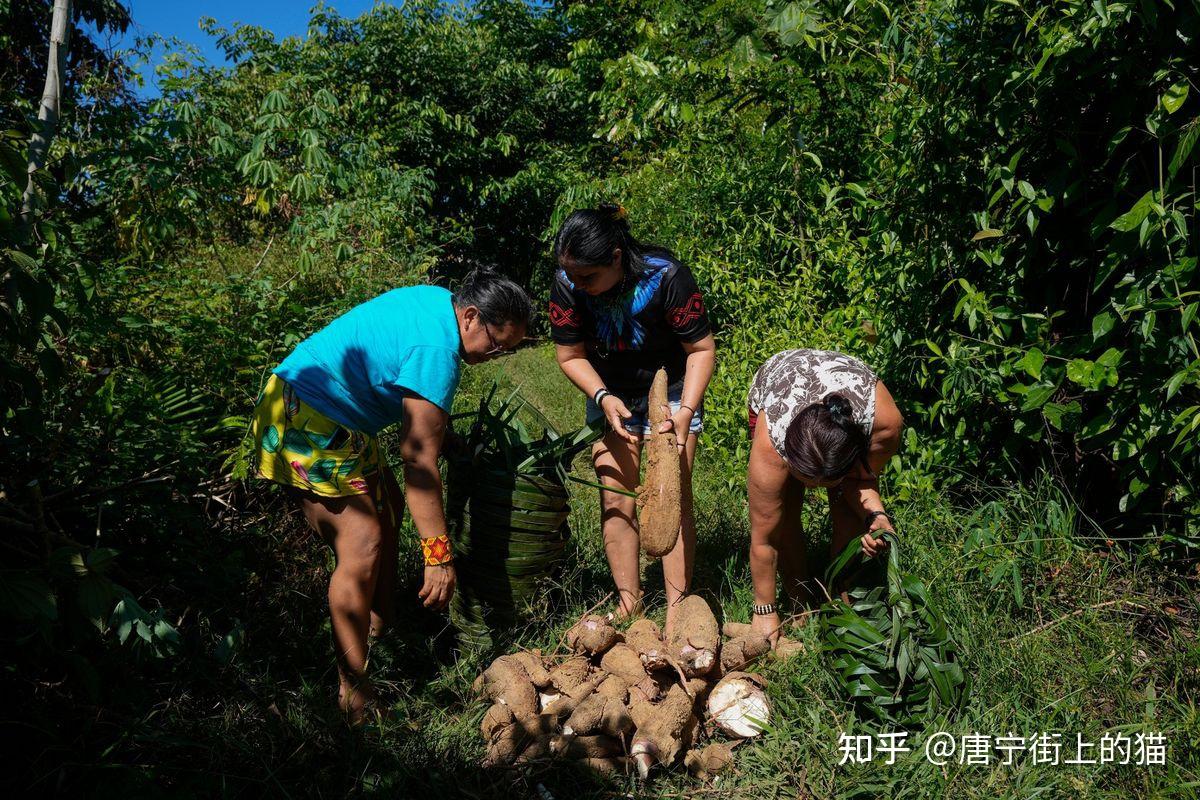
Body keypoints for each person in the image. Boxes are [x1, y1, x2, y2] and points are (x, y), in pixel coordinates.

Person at [249, 266, 530, 723]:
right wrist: (438, 556)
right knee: (362, 543)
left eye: (509, 350)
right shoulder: (439, 350)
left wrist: (446, 441)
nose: (497, 354)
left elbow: (414, 415)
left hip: (331, 414)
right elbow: (418, 459)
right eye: (497, 343)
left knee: (390, 509)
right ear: (472, 316)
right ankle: (353, 692)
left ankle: (382, 625)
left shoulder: (441, 303)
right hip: (305, 417)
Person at [549, 203, 716, 636]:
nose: (579, 285)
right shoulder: (568, 281)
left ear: (617, 257)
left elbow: (700, 350)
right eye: (573, 275)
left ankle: (678, 610)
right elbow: (569, 356)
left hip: (673, 391)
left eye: (589, 276)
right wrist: (601, 396)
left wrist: (685, 413)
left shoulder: (667, 276)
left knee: (670, 498)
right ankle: (630, 603)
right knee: (617, 497)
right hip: (609, 391)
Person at [745, 349, 904, 644]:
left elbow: (863, 480)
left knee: (847, 513)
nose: (816, 489)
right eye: (808, 479)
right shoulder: (771, 446)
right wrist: (764, 611)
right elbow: (763, 538)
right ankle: (798, 596)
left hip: (849, 392)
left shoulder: (884, 424)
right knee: (783, 516)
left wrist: (876, 516)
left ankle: (841, 601)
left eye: (828, 481)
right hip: (779, 378)